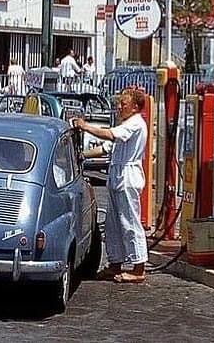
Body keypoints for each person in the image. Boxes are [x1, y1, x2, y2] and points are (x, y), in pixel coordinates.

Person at [74, 87, 149, 283]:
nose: (118, 107)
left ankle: (139, 267)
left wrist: (85, 126)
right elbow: (105, 148)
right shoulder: (125, 125)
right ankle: (115, 262)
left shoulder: (135, 124)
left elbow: (109, 135)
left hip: (128, 176)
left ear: (134, 107)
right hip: (116, 176)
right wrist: (82, 155)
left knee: (130, 222)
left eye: (123, 104)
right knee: (113, 224)